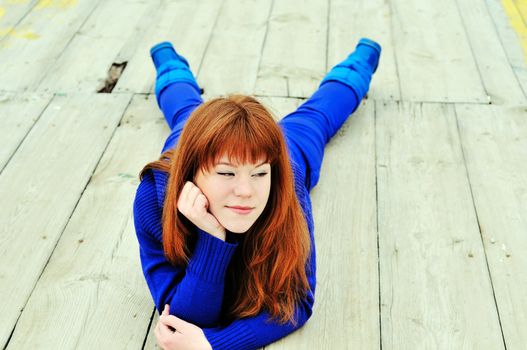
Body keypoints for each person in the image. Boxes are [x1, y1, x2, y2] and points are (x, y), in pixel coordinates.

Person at [133, 38, 381, 350]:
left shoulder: (283, 183)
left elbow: (298, 302)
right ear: (193, 173)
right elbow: (181, 318)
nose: (246, 192)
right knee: (184, 109)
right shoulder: (155, 195)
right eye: (226, 174)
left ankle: (360, 61)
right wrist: (212, 237)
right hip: (195, 139)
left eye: (259, 174)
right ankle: (168, 61)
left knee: (317, 116)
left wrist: (215, 345)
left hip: (286, 146)